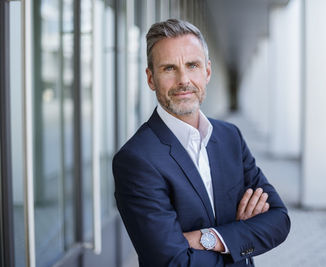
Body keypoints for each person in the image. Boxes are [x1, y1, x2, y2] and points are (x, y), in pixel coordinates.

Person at [112, 19, 290, 267]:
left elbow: (279, 219)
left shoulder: (230, 137)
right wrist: (237, 236)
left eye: (192, 65)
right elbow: (173, 262)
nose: (183, 80)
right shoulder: (136, 160)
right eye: (169, 68)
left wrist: (208, 238)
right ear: (151, 78)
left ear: (207, 72)